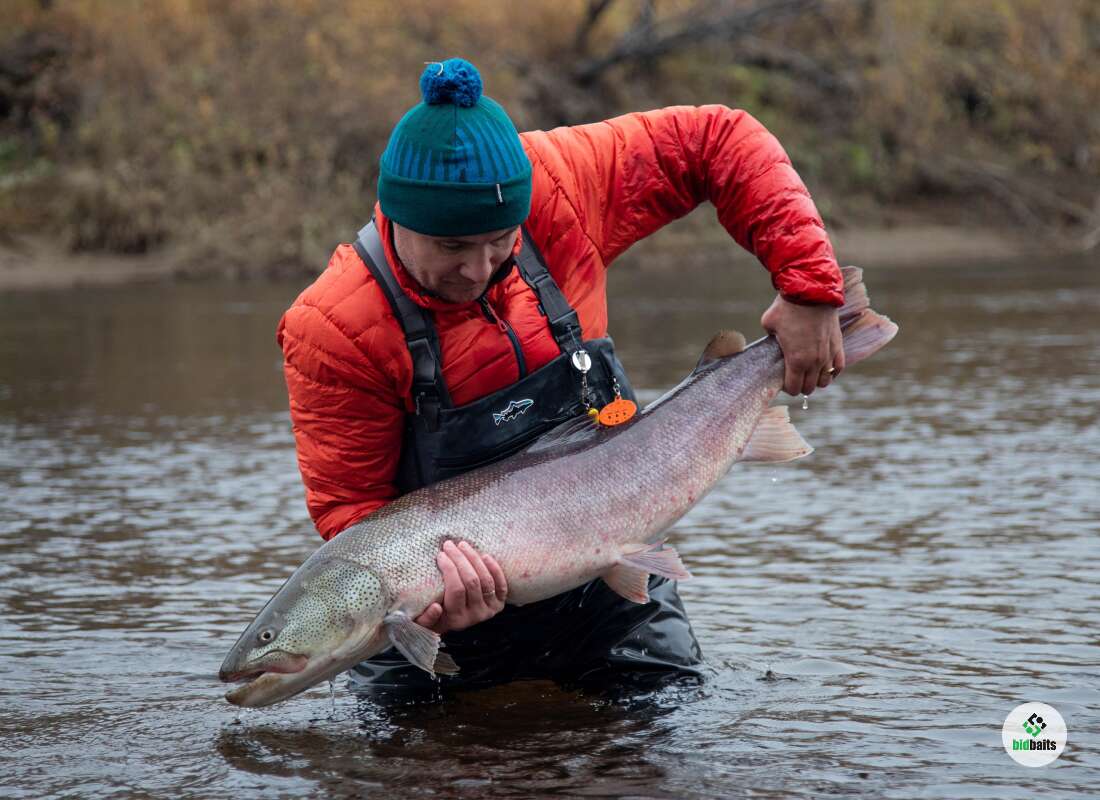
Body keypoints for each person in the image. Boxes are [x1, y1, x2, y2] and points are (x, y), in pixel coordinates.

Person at [276, 58, 844, 694]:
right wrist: (431, 602)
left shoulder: (560, 185)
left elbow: (720, 138)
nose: (479, 270)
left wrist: (810, 287)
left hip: (610, 577)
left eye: (500, 241)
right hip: (448, 623)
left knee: (663, 733)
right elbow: (354, 517)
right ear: (397, 217)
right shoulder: (332, 326)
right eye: (451, 247)